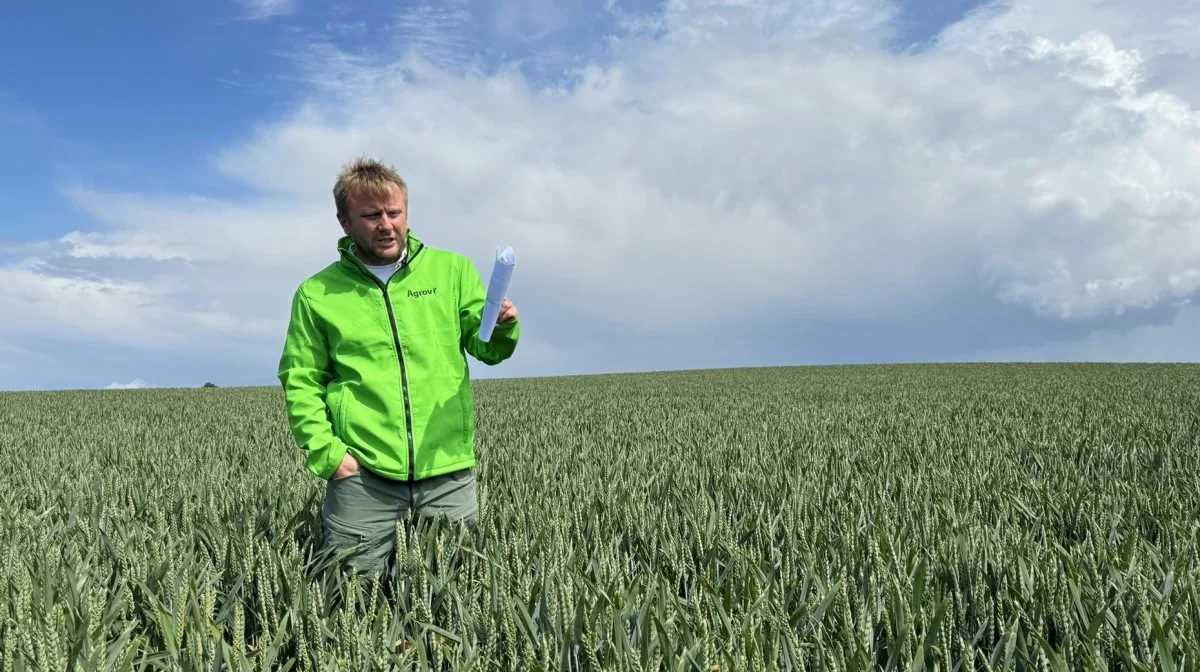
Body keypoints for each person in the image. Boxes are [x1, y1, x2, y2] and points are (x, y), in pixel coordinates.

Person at [277, 155, 520, 578]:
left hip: (447, 468)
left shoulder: (452, 271)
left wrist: (500, 328)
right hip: (362, 475)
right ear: (344, 222)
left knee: (454, 593)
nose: (386, 224)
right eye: (371, 215)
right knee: (350, 597)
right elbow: (301, 380)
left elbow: (485, 348)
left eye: (394, 212)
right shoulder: (317, 294)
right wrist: (331, 456)